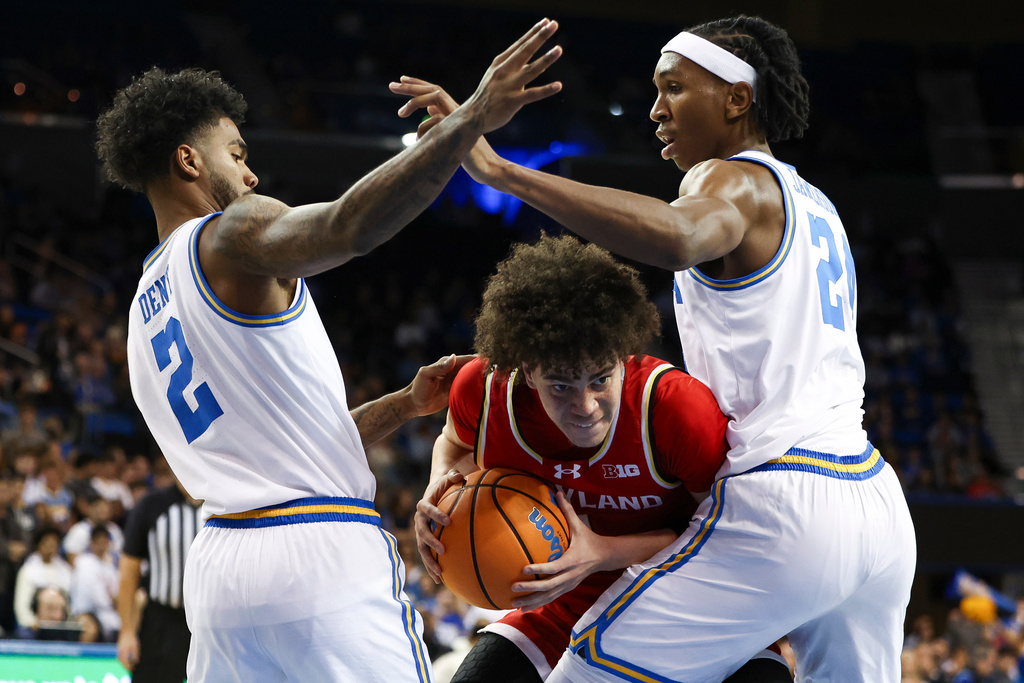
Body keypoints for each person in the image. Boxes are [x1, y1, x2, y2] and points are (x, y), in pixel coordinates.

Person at [392, 15, 916, 682]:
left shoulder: (731, 179)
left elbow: (674, 235)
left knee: (583, 670)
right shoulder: (816, 204)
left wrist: (501, 171)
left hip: (785, 496)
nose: (655, 109)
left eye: (673, 87)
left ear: (736, 98)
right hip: (872, 499)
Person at [96, 18, 563, 683]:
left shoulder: (143, 306)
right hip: (318, 558)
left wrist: (402, 405)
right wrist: (474, 118)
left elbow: (284, 454)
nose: (250, 172)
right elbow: (349, 223)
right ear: (188, 159)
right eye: (235, 151)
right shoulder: (230, 232)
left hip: (223, 570)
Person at [416, 236, 791, 682]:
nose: (587, 405)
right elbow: (455, 444)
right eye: (561, 386)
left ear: (623, 356)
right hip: (568, 607)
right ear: (525, 370)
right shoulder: (484, 390)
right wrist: (442, 488)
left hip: (697, 605)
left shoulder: (674, 409)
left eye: (600, 379)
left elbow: (733, 539)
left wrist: (605, 552)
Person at [116, 475, 203, 683]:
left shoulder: (223, 504)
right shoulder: (152, 505)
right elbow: (129, 572)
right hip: (162, 622)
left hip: (209, 623)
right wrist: (127, 631)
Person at [69, 523, 121, 640]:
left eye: (105, 541)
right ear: (92, 542)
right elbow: (89, 593)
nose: (102, 545)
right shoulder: (83, 562)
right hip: (86, 610)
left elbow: (116, 593)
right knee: (90, 629)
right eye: (99, 541)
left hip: (109, 612)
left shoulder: (110, 566)